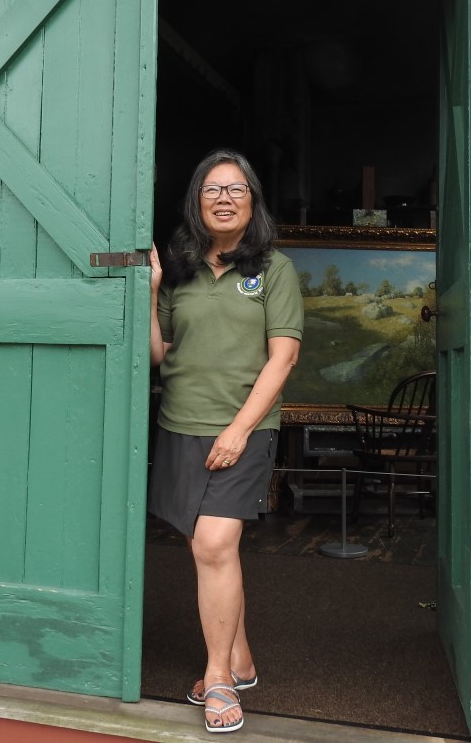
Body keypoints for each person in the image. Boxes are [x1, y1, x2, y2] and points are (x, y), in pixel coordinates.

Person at [148, 149, 304, 734]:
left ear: (253, 200)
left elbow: (283, 355)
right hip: (179, 425)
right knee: (210, 549)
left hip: (244, 428)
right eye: (211, 189)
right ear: (196, 201)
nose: (223, 198)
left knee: (212, 545)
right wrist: (151, 290)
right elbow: (156, 356)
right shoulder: (183, 271)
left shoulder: (275, 270)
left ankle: (216, 678)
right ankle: (239, 656)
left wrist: (239, 430)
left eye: (236, 189)